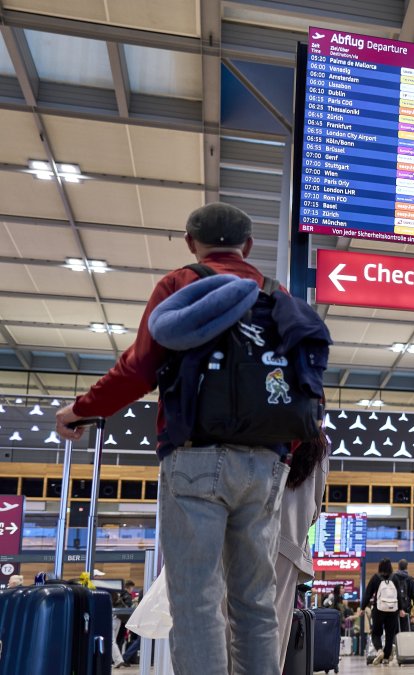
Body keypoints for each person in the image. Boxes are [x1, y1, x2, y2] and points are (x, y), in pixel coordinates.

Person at [55, 202, 330, 675]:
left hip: (194, 459)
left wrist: (80, 411)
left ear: (190, 243)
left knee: (197, 598)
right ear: (247, 246)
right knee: (256, 602)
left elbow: (138, 368)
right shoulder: (275, 293)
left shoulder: (179, 284)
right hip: (266, 464)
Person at [273, 436, 329, 670]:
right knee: (274, 635)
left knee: (227, 627)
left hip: (242, 532)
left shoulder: (258, 418)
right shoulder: (318, 444)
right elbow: (315, 509)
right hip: (287, 546)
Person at [363, 558, 407, 666]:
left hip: (378, 609)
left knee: (376, 633)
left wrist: (363, 607)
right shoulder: (395, 578)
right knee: (390, 634)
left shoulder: (375, 578)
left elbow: (368, 594)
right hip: (393, 610)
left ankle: (379, 651)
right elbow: (399, 596)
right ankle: (386, 657)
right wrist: (401, 609)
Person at [395, 559, 414, 630]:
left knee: (394, 633)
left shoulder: (393, 578)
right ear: (407, 567)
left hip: (394, 610)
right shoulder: (410, 580)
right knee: (404, 632)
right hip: (406, 611)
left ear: (398, 567)